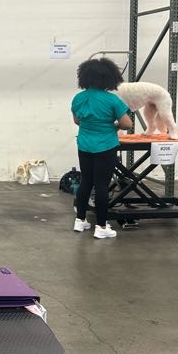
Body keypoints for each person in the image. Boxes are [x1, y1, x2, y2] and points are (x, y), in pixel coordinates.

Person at [71, 58, 132, 239]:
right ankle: (101, 226)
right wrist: (113, 126)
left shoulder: (78, 98)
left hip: (84, 144)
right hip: (105, 146)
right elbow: (127, 124)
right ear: (109, 78)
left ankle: (80, 220)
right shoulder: (112, 100)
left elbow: (77, 121)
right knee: (102, 186)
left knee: (86, 183)